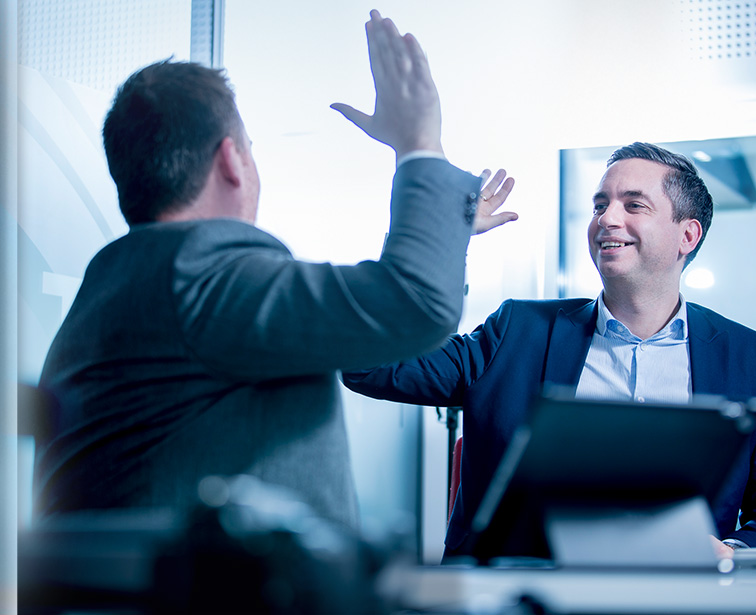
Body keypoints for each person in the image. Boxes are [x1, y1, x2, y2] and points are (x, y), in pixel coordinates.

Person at [34, 10, 519, 528]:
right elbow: (415, 304)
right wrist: (419, 143)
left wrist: (447, 234)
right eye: (252, 150)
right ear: (231, 160)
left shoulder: (125, 284)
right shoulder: (199, 275)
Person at [344, 143, 756, 558]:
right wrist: (440, 236)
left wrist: (730, 550)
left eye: (634, 205)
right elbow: (371, 366)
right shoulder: (517, 332)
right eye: (600, 205)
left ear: (687, 235)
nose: (607, 219)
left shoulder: (749, 358)